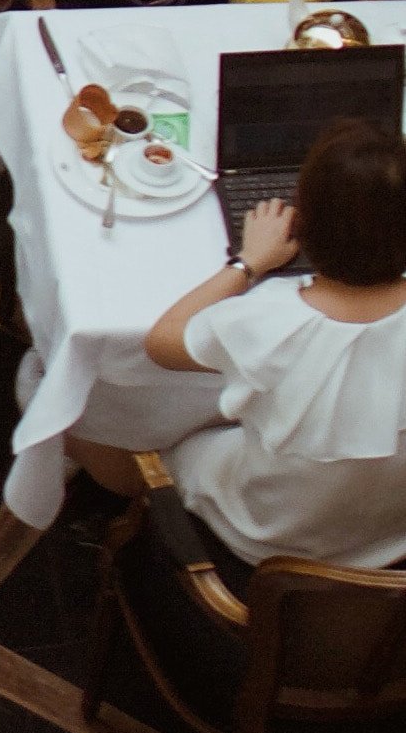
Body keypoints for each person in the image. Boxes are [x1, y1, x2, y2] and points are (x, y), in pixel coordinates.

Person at [67, 121, 406, 567]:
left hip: (266, 533)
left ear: (300, 223)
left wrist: (248, 262)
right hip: (389, 536)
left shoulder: (271, 316)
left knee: (127, 421)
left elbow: (162, 342)